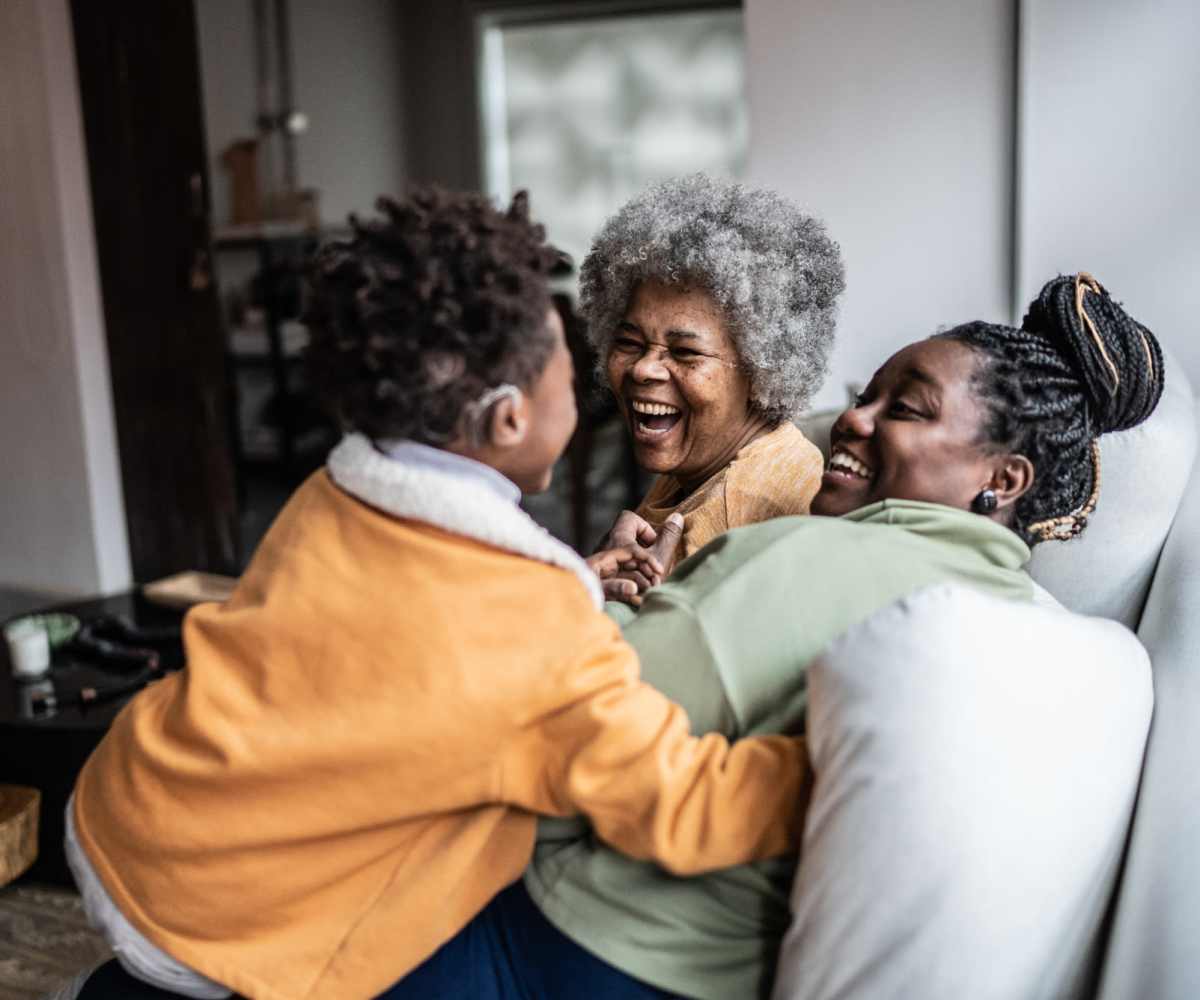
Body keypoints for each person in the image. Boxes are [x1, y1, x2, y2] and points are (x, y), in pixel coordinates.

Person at [62, 188, 811, 1000]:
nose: (614, 372)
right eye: (574, 352)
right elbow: (682, 799)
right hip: (218, 908)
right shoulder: (533, 624)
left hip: (135, 801)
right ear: (510, 420)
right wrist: (837, 761)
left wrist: (574, 585)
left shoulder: (340, 491)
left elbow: (410, 636)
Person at [383, 272, 1164, 999]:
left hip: (581, 942)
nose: (853, 419)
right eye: (870, 396)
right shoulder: (1001, 605)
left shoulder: (821, 551)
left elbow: (562, 730)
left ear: (1002, 480)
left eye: (906, 409)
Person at [579, 174, 846, 602]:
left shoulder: (730, 511)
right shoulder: (725, 453)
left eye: (685, 352)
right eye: (629, 343)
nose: (644, 368)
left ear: (763, 366)